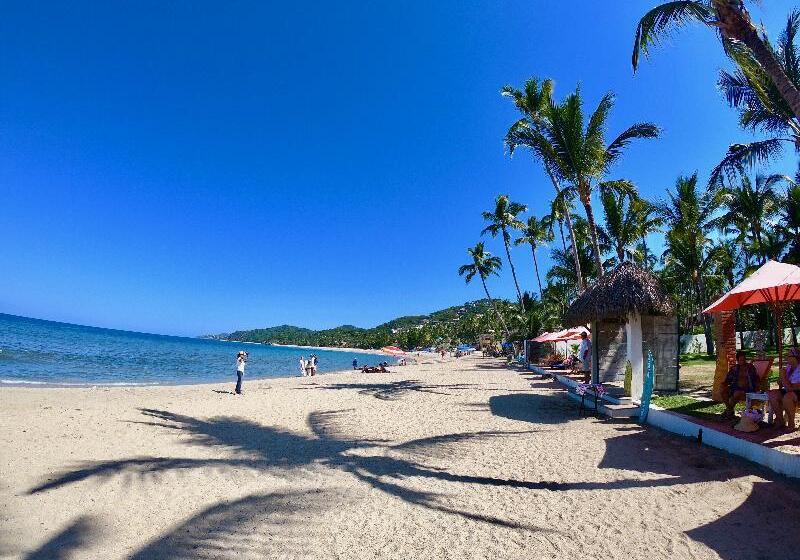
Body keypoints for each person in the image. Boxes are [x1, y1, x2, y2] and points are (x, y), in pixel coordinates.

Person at [768, 347, 800, 430]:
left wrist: (783, 376)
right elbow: (780, 383)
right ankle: (780, 420)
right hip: (789, 390)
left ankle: (791, 422)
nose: (786, 358)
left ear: (795, 357)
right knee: (772, 394)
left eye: (788, 356)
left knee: (787, 397)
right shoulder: (789, 367)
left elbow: (790, 388)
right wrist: (781, 377)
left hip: (797, 391)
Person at [720, 350, 758, 419]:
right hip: (735, 388)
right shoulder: (735, 369)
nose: (743, 361)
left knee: (736, 393)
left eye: (744, 359)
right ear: (737, 360)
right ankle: (729, 410)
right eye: (741, 360)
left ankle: (728, 411)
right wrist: (724, 384)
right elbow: (728, 380)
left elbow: (756, 379)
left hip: (747, 389)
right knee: (722, 390)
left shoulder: (750, 367)